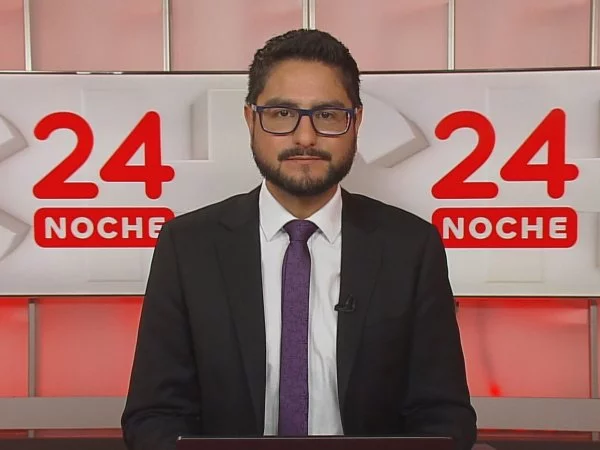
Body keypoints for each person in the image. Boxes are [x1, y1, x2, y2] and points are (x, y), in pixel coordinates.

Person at [121, 29, 477, 450]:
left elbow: (444, 417)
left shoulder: (410, 247)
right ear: (251, 119)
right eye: (281, 113)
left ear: (356, 121)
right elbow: (154, 417)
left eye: (327, 115)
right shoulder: (188, 247)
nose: (305, 137)